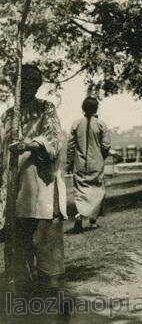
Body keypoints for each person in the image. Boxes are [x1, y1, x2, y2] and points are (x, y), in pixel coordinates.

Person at [0, 64, 67, 296]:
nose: (27, 85)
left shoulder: (45, 109)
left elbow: (55, 141)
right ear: (15, 84)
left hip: (42, 186)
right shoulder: (8, 115)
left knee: (45, 241)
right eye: (23, 81)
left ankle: (53, 294)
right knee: (19, 243)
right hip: (15, 190)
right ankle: (23, 292)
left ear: (38, 85)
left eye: (33, 81)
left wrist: (29, 145)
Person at [67, 96, 111, 232]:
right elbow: (106, 145)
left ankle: (80, 215)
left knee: (81, 192)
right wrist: (101, 157)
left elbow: (70, 146)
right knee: (97, 191)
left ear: (83, 108)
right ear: (96, 108)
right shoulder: (101, 124)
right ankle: (92, 221)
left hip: (79, 163)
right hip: (96, 163)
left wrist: (69, 163)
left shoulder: (76, 124)